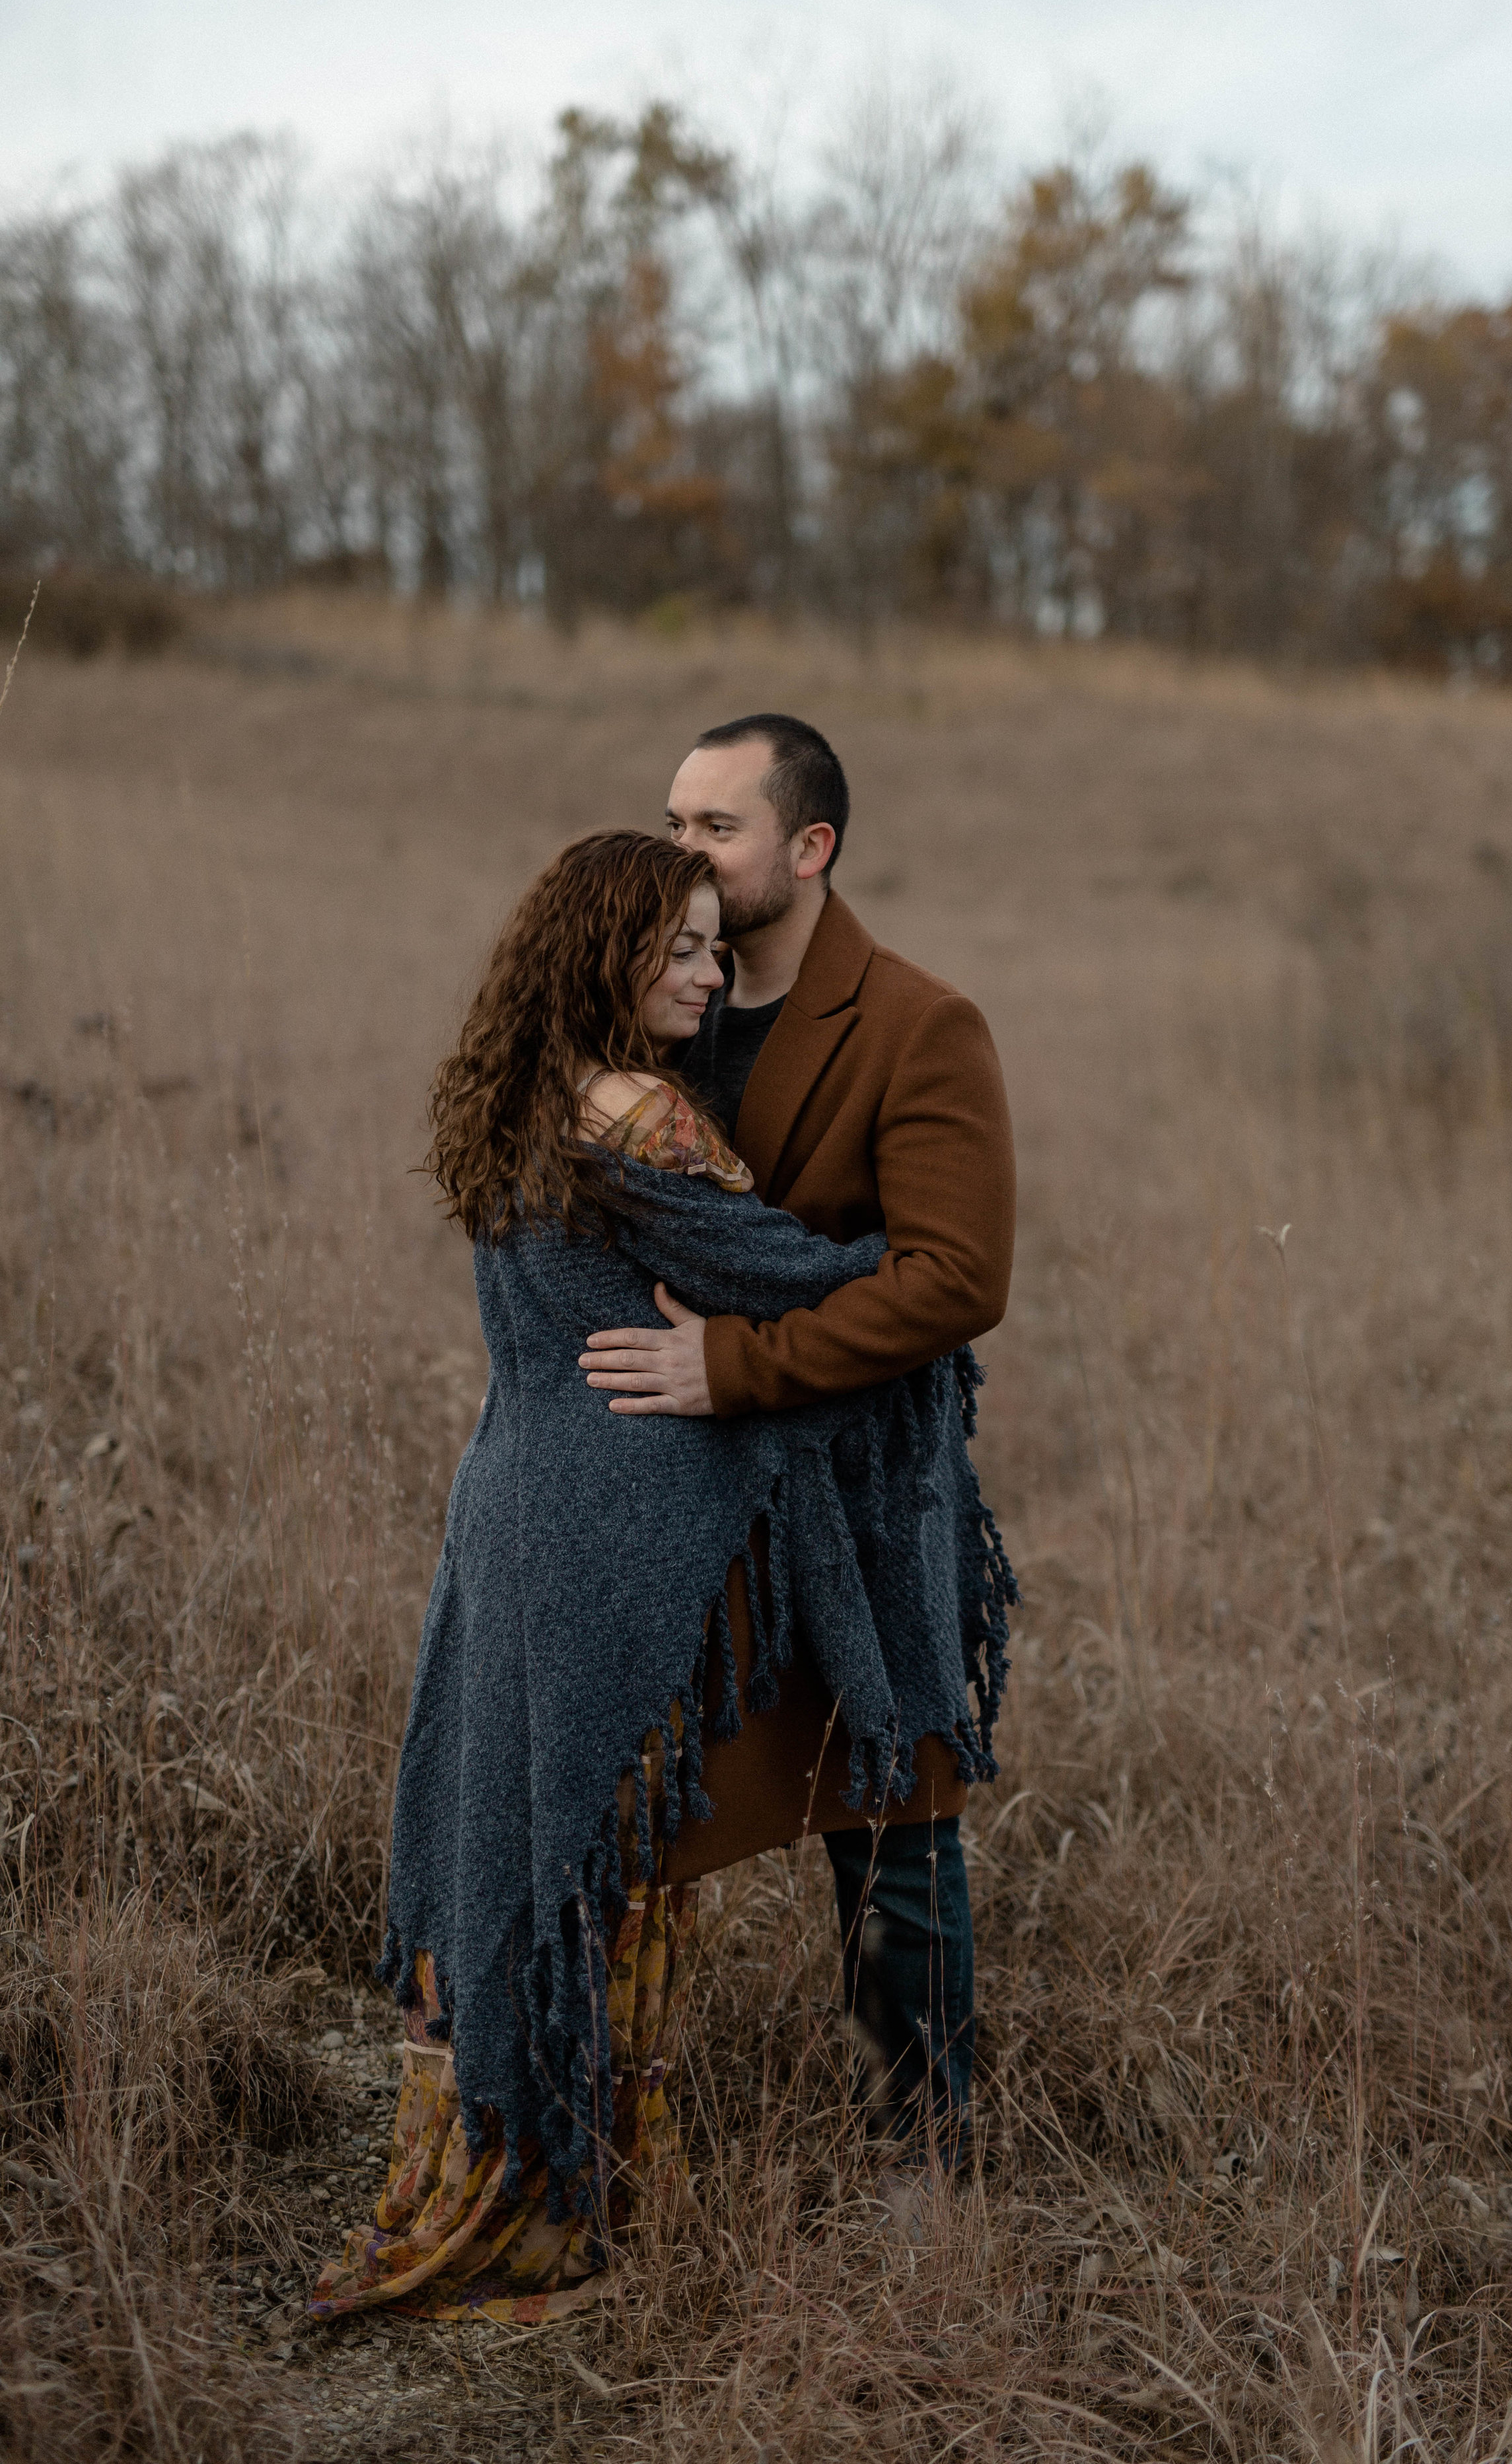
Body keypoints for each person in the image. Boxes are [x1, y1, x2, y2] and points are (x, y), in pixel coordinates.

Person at [309, 830, 1013, 2325]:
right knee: (598, 1872)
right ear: (607, 955)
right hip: (610, 1531)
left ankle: (497, 2176)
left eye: (713, 940)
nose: (705, 970)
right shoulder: (646, 1117)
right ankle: (562, 2211)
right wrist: (910, 1258)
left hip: (513, 1502)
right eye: (679, 947)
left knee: (525, 1838)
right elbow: (836, 1285)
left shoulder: (527, 1086)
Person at [578, 715, 1017, 2177]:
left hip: (857, 1488)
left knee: (888, 1813)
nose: (682, 849)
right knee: (623, 1801)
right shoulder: (642, 1009)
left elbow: (956, 1279)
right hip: (670, 1488)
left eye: (716, 827)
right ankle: (596, 2133)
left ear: (808, 846)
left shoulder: (915, 1023)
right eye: (673, 819)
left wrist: (738, 1363)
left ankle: (923, 2160)